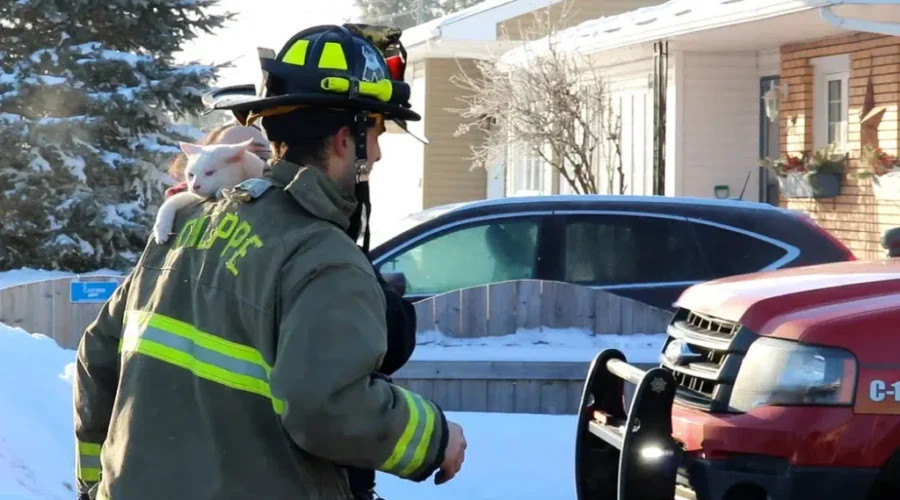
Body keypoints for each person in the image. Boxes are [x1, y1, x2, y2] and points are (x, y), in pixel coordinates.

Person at [73, 23, 466, 500]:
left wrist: (96, 482)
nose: (378, 154)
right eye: (377, 134)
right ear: (347, 139)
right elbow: (326, 408)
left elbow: (97, 355)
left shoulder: (187, 225)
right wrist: (434, 438)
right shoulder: (321, 255)